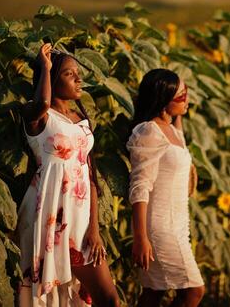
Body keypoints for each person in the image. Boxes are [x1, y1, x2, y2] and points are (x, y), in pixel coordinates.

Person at [17, 43, 120, 307]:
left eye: (78, 73)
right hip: (48, 214)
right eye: (68, 73)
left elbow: (90, 178)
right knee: (56, 295)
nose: (78, 78)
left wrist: (94, 229)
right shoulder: (38, 116)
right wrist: (45, 66)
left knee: (108, 298)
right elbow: (42, 101)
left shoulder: (80, 118)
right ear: (50, 79)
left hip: (80, 219)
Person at [127, 69, 205, 307]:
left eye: (186, 93)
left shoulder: (171, 129)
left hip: (178, 223)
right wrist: (140, 237)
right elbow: (140, 185)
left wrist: (179, 102)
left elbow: (178, 144)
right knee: (194, 290)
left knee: (154, 292)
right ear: (162, 100)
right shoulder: (149, 131)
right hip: (159, 227)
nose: (187, 100)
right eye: (181, 97)